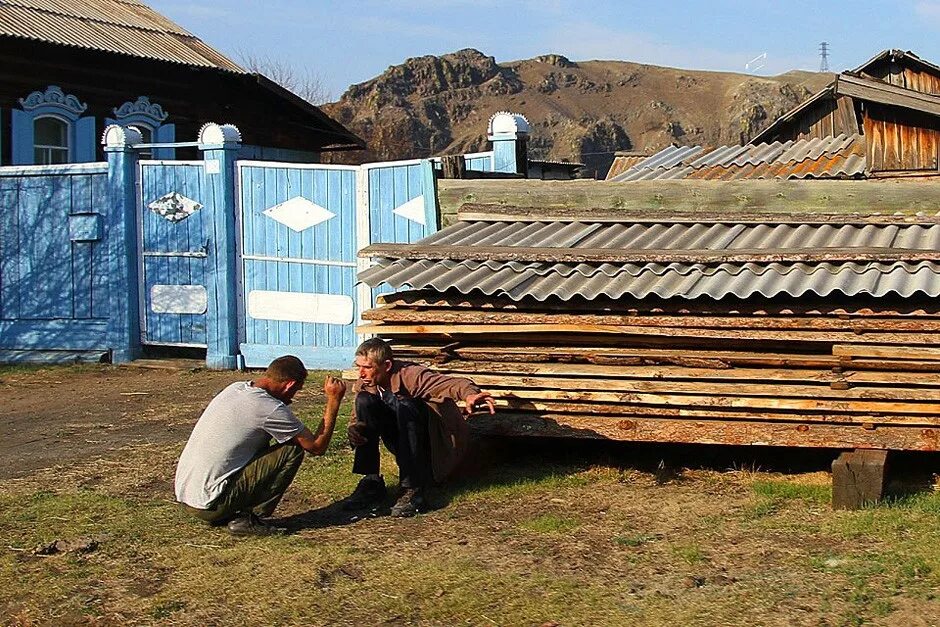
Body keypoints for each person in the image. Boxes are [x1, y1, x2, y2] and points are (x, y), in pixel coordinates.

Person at [175, 355, 346, 536]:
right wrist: (333, 400)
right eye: (296, 389)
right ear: (289, 384)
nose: (293, 395)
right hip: (209, 505)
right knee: (292, 449)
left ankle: (232, 509)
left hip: (187, 496)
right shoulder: (269, 408)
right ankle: (249, 518)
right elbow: (316, 446)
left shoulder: (235, 388)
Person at [344, 338, 495, 517]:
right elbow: (358, 416)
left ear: (386, 365)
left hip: (430, 445)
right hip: (401, 439)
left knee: (406, 405)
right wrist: (355, 429)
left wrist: (470, 395)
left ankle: (412, 488)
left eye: (367, 367)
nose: (361, 373)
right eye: (358, 366)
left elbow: (454, 383)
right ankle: (371, 481)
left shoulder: (412, 375)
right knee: (364, 401)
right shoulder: (367, 383)